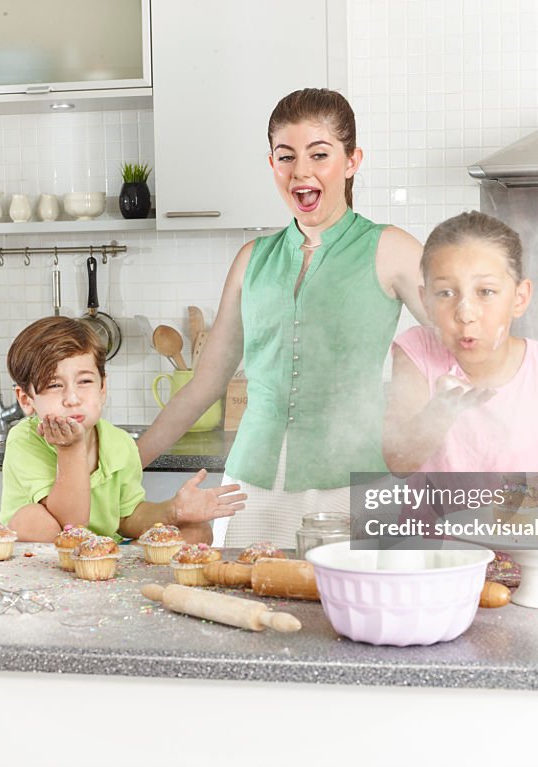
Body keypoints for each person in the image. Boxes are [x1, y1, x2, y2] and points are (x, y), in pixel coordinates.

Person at [137, 88, 427, 548]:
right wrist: (124, 465)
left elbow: (463, 344)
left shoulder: (391, 249)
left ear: (352, 161)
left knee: (344, 615)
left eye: (320, 154)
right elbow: (203, 386)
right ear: (271, 164)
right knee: (245, 606)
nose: (301, 172)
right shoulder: (251, 260)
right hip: (249, 488)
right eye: (286, 156)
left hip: (351, 485)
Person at [382, 210, 538, 497]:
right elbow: (398, 462)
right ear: (425, 302)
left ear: (519, 297)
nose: (465, 313)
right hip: (439, 541)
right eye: (445, 293)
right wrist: (440, 412)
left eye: (486, 292)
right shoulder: (417, 353)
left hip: (533, 537)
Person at [0, 316, 246, 543]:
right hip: (51, 550)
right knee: (32, 520)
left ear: (103, 388)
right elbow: (70, 526)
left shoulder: (118, 442)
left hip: (102, 546)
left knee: (197, 531)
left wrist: (174, 510)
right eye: (54, 385)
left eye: (85, 381)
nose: (72, 398)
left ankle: (120, 564)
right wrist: (70, 448)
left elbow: (127, 517)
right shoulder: (24, 439)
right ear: (26, 399)